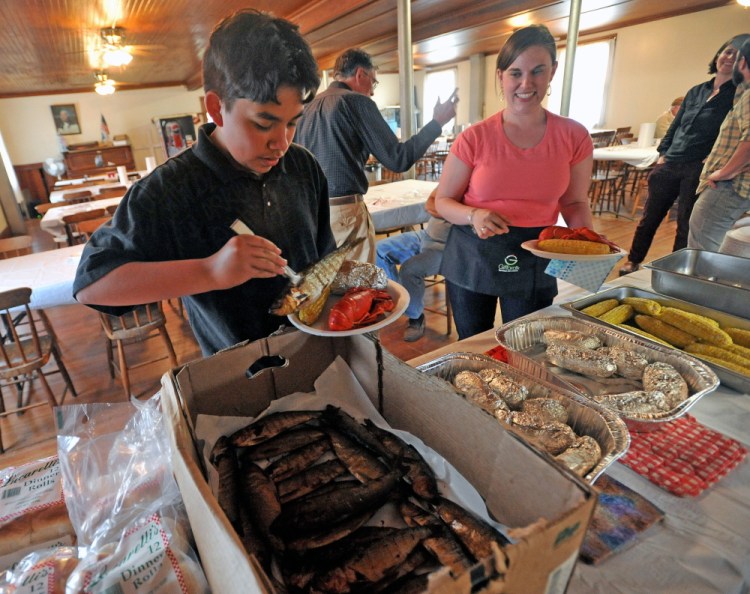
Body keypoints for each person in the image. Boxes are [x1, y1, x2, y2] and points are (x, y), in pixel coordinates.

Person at [73, 10, 335, 357]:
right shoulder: (169, 189)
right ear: (216, 108)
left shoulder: (303, 165)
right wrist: (210, 271)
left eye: (291, 124)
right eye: (263, 123)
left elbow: (325, 258)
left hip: (321, 351)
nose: (281, 143)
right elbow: (91, 286)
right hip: (239, 375)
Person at [435, 24, 594, 340]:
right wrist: (473, 214)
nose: (526, 83)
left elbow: (575, 202)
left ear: (552, 72)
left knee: (527, 345)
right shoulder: (475, 137)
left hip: (535, 250)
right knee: (473, 344)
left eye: (538, 71)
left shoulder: (574, 136)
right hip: (473, 249)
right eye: (515, 73)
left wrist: (588, 250)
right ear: (500, 76)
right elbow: (442, 201)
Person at [294, 48, 458, 264]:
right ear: (360, 74)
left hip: (311, 212)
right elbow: (398, 159)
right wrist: (437, 123)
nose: (372, 91)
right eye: (373, 82)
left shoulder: (307, 107)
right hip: (345, 213)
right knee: (358, 287)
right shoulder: (356, 102)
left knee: (327, 288)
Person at [618, 34, 747, 275]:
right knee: (649, 218)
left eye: (736, 54)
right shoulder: (696, 91)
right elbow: (675, 125)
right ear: (718, 55)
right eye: (726, 51)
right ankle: (633, 260)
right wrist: (662, 154)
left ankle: (676, 270)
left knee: (686, 223)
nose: (729, 57)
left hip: (698, 168)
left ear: (743, 62)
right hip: (670, 163)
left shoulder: (739, 95)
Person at [689, 37, 750, 252]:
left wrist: (723, 172)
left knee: (702, 250)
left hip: (729, 186)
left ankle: (700, 286)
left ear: (742, 63)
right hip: (736, 185)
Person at [375, 189, 451, 342]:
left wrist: (446, 206)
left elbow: (441, 207)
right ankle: (398, 301)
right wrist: (451, 209)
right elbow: (430, 204)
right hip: (426, 235)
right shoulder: (452, 179)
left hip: (448, 246)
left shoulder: (478, 186)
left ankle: (415, 317)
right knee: (379, 250)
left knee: (410, 269)